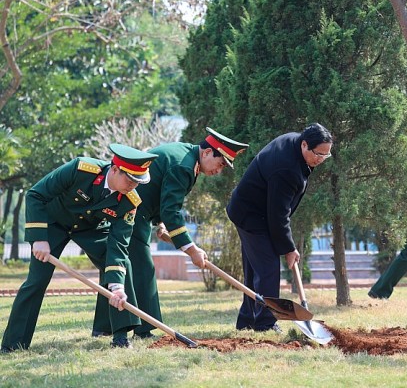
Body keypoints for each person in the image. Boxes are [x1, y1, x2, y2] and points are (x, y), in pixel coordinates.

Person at [90, 128, 249, 338]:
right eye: (220, 164)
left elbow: (160, 194)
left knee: (118, 266)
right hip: (130, 212)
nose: (218, 171)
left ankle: (104, 326)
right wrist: (191, 248)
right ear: (208, 152)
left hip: (138, 212)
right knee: (141, 268)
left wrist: (160, 224)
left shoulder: (185, 157)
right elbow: (171, 210)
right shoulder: (184, 166)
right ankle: (144, 328)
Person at [1, 144, 157, 352]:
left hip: (90, 228)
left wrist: (117, 287)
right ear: (114, 169)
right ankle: (14, 344)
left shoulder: (130, 201)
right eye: (130, 180)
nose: (133, 186)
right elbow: (35, 195)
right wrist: (39, 239)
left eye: (138, 182)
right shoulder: (81, 169)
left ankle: (120, 336)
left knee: (121, 265)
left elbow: (118, 244)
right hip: (53, 223)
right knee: (36, 281)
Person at [226, 123, 333, 332]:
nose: (320, 160)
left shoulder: (295, 143)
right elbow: (278, 215)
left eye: (325, 156)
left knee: (254, 270)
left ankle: (247, 321)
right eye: (318, 154)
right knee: (267, 269)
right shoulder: (287, 169)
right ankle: (265, 323)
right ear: (304, 145)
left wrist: (286, 246)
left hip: (256, 210)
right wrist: (288, 248)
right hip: (251, 215)